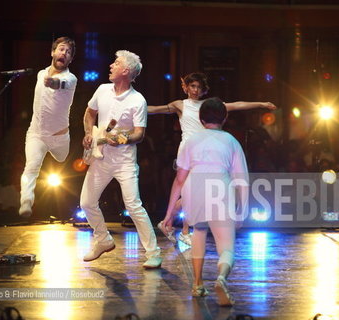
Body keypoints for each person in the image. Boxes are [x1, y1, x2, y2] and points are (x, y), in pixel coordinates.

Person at [149, 72, 275, 245]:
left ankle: (169, 222)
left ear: (203, 90)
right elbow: (155, 109)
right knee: (189, 191)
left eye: (199, 87)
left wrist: (261, 104)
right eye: (192, 86)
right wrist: (131, 109)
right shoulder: (180, 105)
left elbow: (236, 105)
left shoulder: (209, 106)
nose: (195, 90)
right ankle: (184, 231)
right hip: (187, 150)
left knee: (193, 193)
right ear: (186, 87)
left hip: (205, 150)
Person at [160, 97, 249, 306]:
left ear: (201, 119)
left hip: (195, 186)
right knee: (226, 245)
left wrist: (169, 212)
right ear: (224, 118)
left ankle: (198, 284)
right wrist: (242, 211)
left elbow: (179, 179)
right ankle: (221, 278)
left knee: (199, 233)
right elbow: (242, 181)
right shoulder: (231, 141)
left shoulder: (191, 141)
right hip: (220, 185)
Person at [80, 50, 162, 269]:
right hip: (100, 158)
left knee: (133, 205)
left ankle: (153, 252)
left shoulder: (137, 100)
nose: (110, 66)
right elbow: (89, 113)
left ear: (126, 71)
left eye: (115, 63)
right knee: (86, 202)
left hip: (124, 162)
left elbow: (139, 134)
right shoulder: (102, 89)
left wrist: (121, 138)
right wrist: (89, 133)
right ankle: (103, 239)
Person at [19, 37, 77, 217]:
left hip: (59, 137)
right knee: (31, 166)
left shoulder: (71, 78)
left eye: (68, 52)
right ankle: (26, 201)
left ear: (70, 59)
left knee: (61, 159)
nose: (64, 54)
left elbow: (61, 84)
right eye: (61, 49)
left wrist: (53, 82)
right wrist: (48, 79)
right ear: (52, 52)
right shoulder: (40, 74)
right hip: (36, 133)